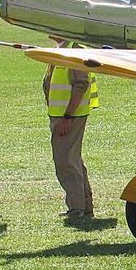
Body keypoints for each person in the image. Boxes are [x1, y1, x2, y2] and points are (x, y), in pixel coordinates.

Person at [43, 45, 98, 220]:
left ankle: (77, 208)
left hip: (68, 116)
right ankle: (83, 205)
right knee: (72, 159)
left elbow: (80, 85)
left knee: (65, 161)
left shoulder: (74, 49)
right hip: (63, 115)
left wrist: (67, 117)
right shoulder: (62, 48)